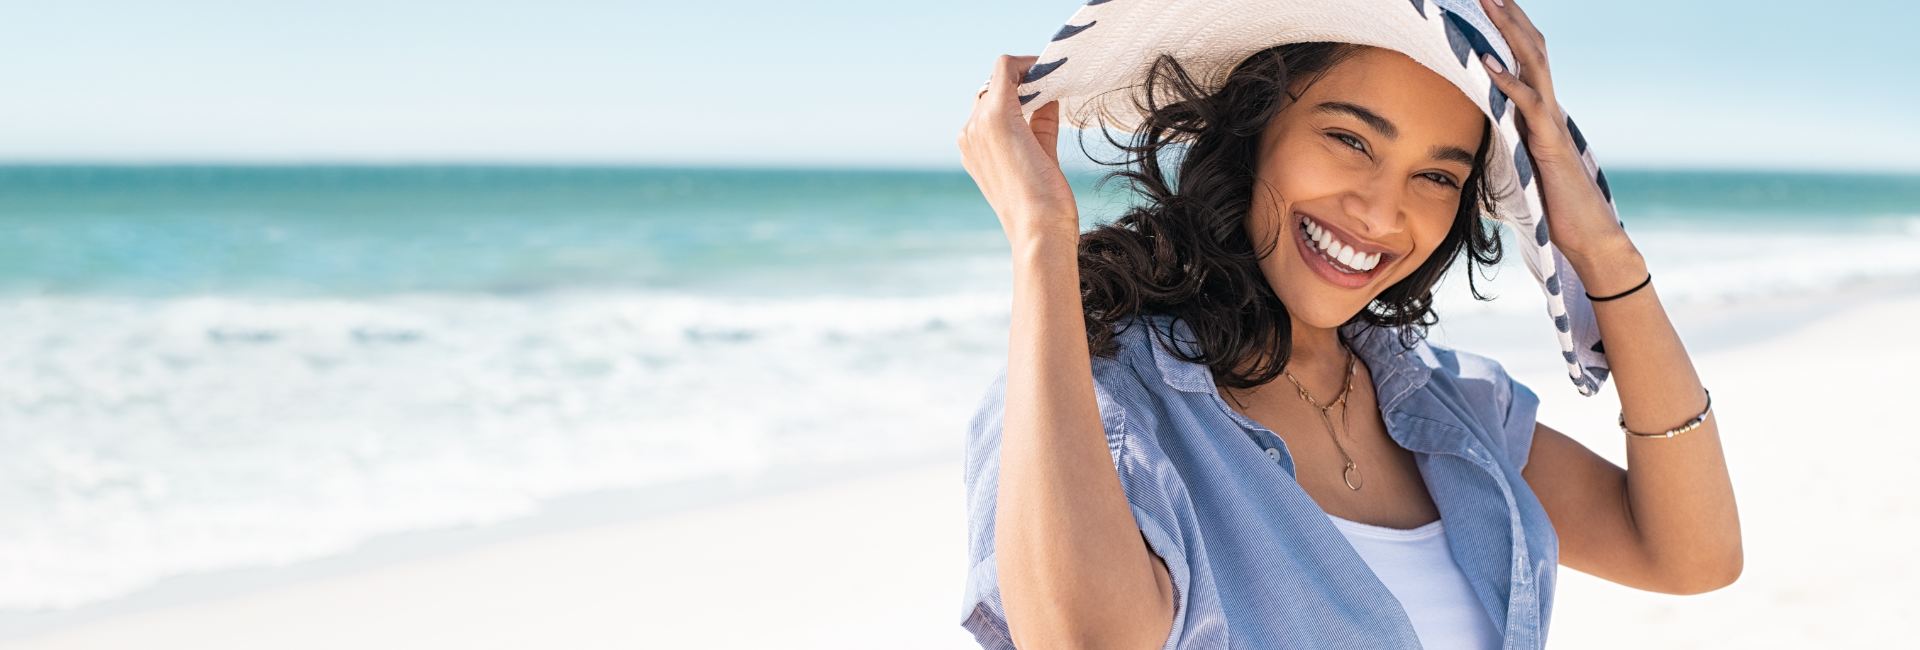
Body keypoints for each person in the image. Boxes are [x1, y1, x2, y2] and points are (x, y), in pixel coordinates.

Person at [954, 0, 1741, 648]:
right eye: (1349, 139)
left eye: (1436, 176)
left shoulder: (1457, 413)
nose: (1379, 213)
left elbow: (1693, 554)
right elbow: (1081, 640)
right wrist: (1040, 242)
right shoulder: (1095, 408)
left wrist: (1600, 247)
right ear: (1253, 126)